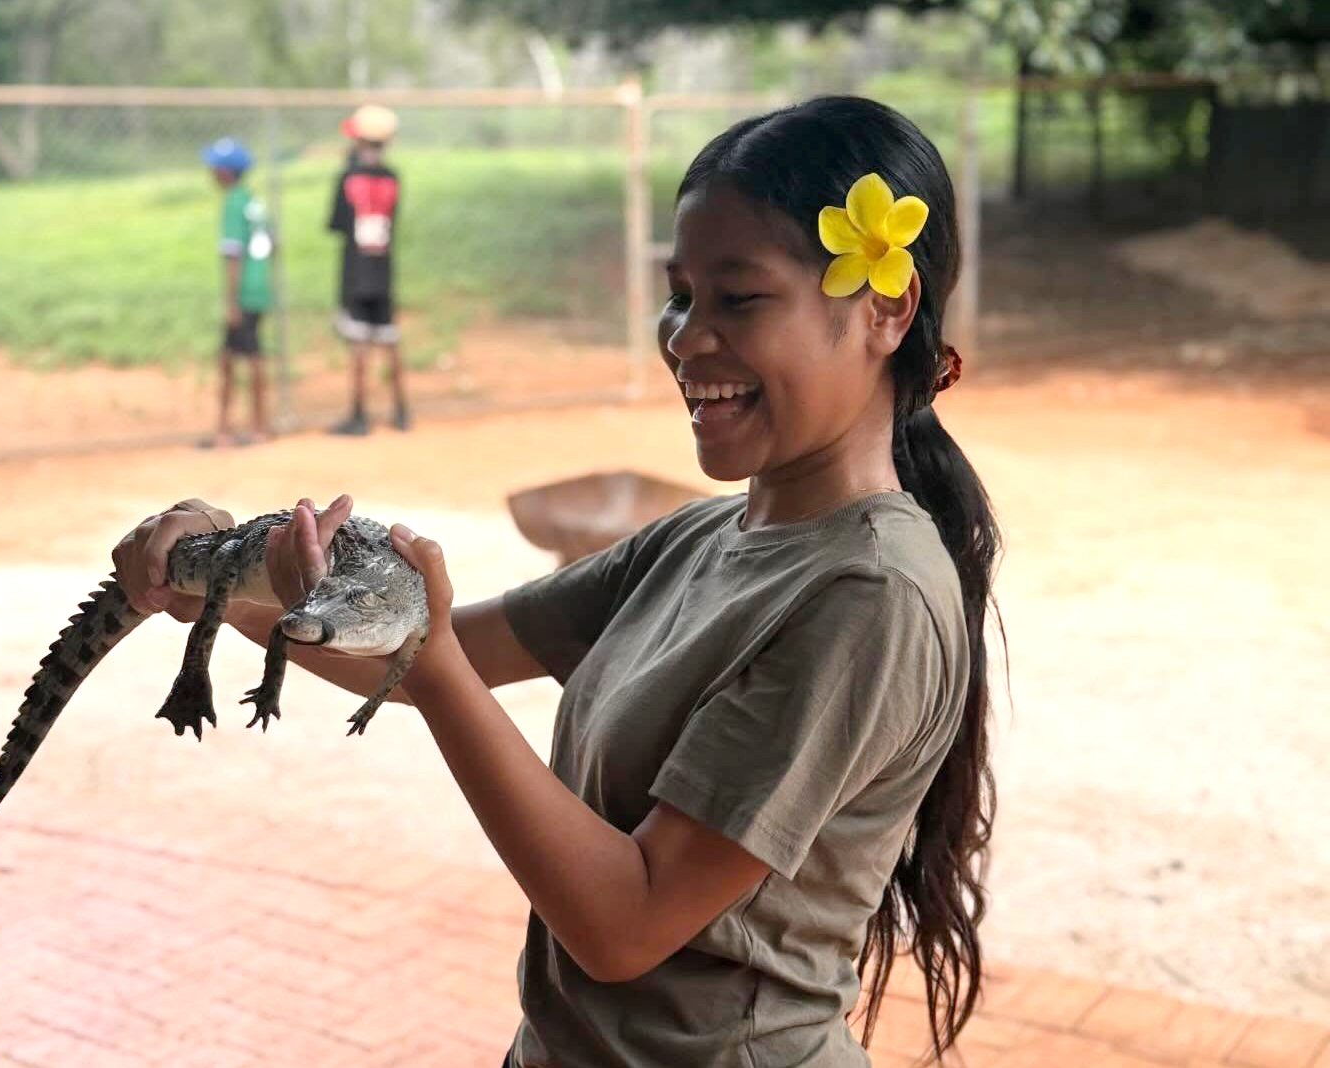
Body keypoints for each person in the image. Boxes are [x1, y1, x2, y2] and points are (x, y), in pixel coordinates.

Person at [115, 96, 1001, 1068]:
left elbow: (624, 923)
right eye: (680, 293)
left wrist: (433, 659)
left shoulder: (868, 598)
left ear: (886, 308)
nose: (685, 336)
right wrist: (208, 571)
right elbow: (412, 663)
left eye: (738, 299)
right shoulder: (703, 538)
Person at [327, 104, 410, 435]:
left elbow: (336, 224)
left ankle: (359, 414)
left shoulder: (348, 177)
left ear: (360, 141)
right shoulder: (393, 178)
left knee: (358, 343)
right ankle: (401, 410)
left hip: (356, 271)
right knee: (389, 340)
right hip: (383, 269)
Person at [201, 136, 274, 447]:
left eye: (214, 167)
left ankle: (226, 431)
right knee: (252, 353)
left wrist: (231, 300)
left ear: (226, 173)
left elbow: (233, 255)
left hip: (242, 290)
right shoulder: (252, 201)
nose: (210, 173)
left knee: (230, 359)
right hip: (260, 286)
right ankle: (257, 426)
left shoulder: (232, 202)